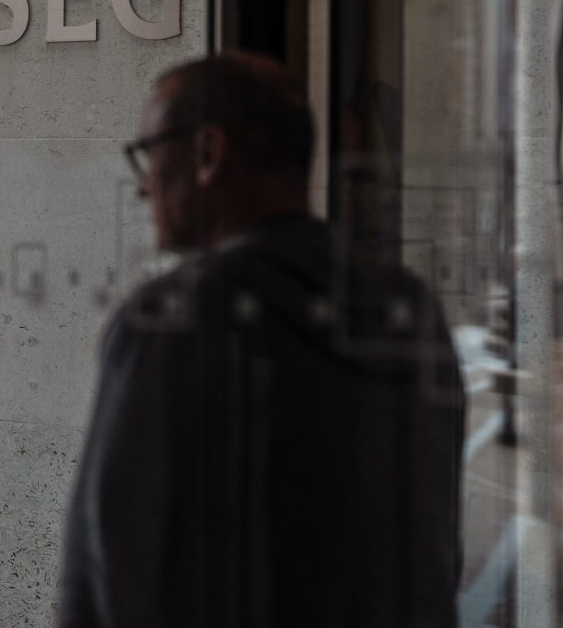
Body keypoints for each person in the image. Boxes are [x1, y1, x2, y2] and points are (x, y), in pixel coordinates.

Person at [56, 52, 465, 627]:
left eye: (150, 156)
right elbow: (435, 548)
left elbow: (112, 576)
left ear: (207, 154)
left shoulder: (175, 319)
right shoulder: (406, 305)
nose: (145, 187)